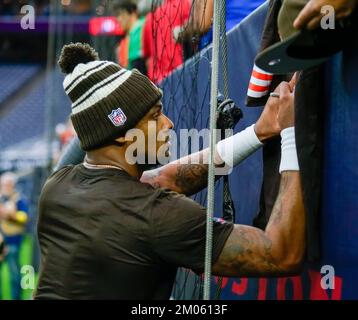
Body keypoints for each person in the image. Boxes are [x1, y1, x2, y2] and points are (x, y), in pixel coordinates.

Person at [35, 43, 304, 300]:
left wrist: (259, 132)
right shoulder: (157, 215)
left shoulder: (57, 188)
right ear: (121, 134)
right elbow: (280, 254)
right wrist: (292, 132)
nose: (169, 124)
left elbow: (164, 179)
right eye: (154, 116)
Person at [142, 0, 191, 83]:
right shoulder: (185, 4)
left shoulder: (150, 18)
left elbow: (147, 56)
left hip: (157, 79)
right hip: (181, 73)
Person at [0, 172, 29, 300]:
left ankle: (17, 297)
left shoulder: (19, 199)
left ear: (13, 184)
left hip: (13, 240)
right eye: (4, 184)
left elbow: (24, 217)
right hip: (0, 239)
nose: (6, 186)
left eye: (8, 184)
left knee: (15, 273)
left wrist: (11, 215)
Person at [114, 1, 147, 75]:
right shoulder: (125, 41)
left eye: (121, 14)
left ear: (132, 13)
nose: (118, 19)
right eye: (117, 16)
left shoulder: (144, 27)